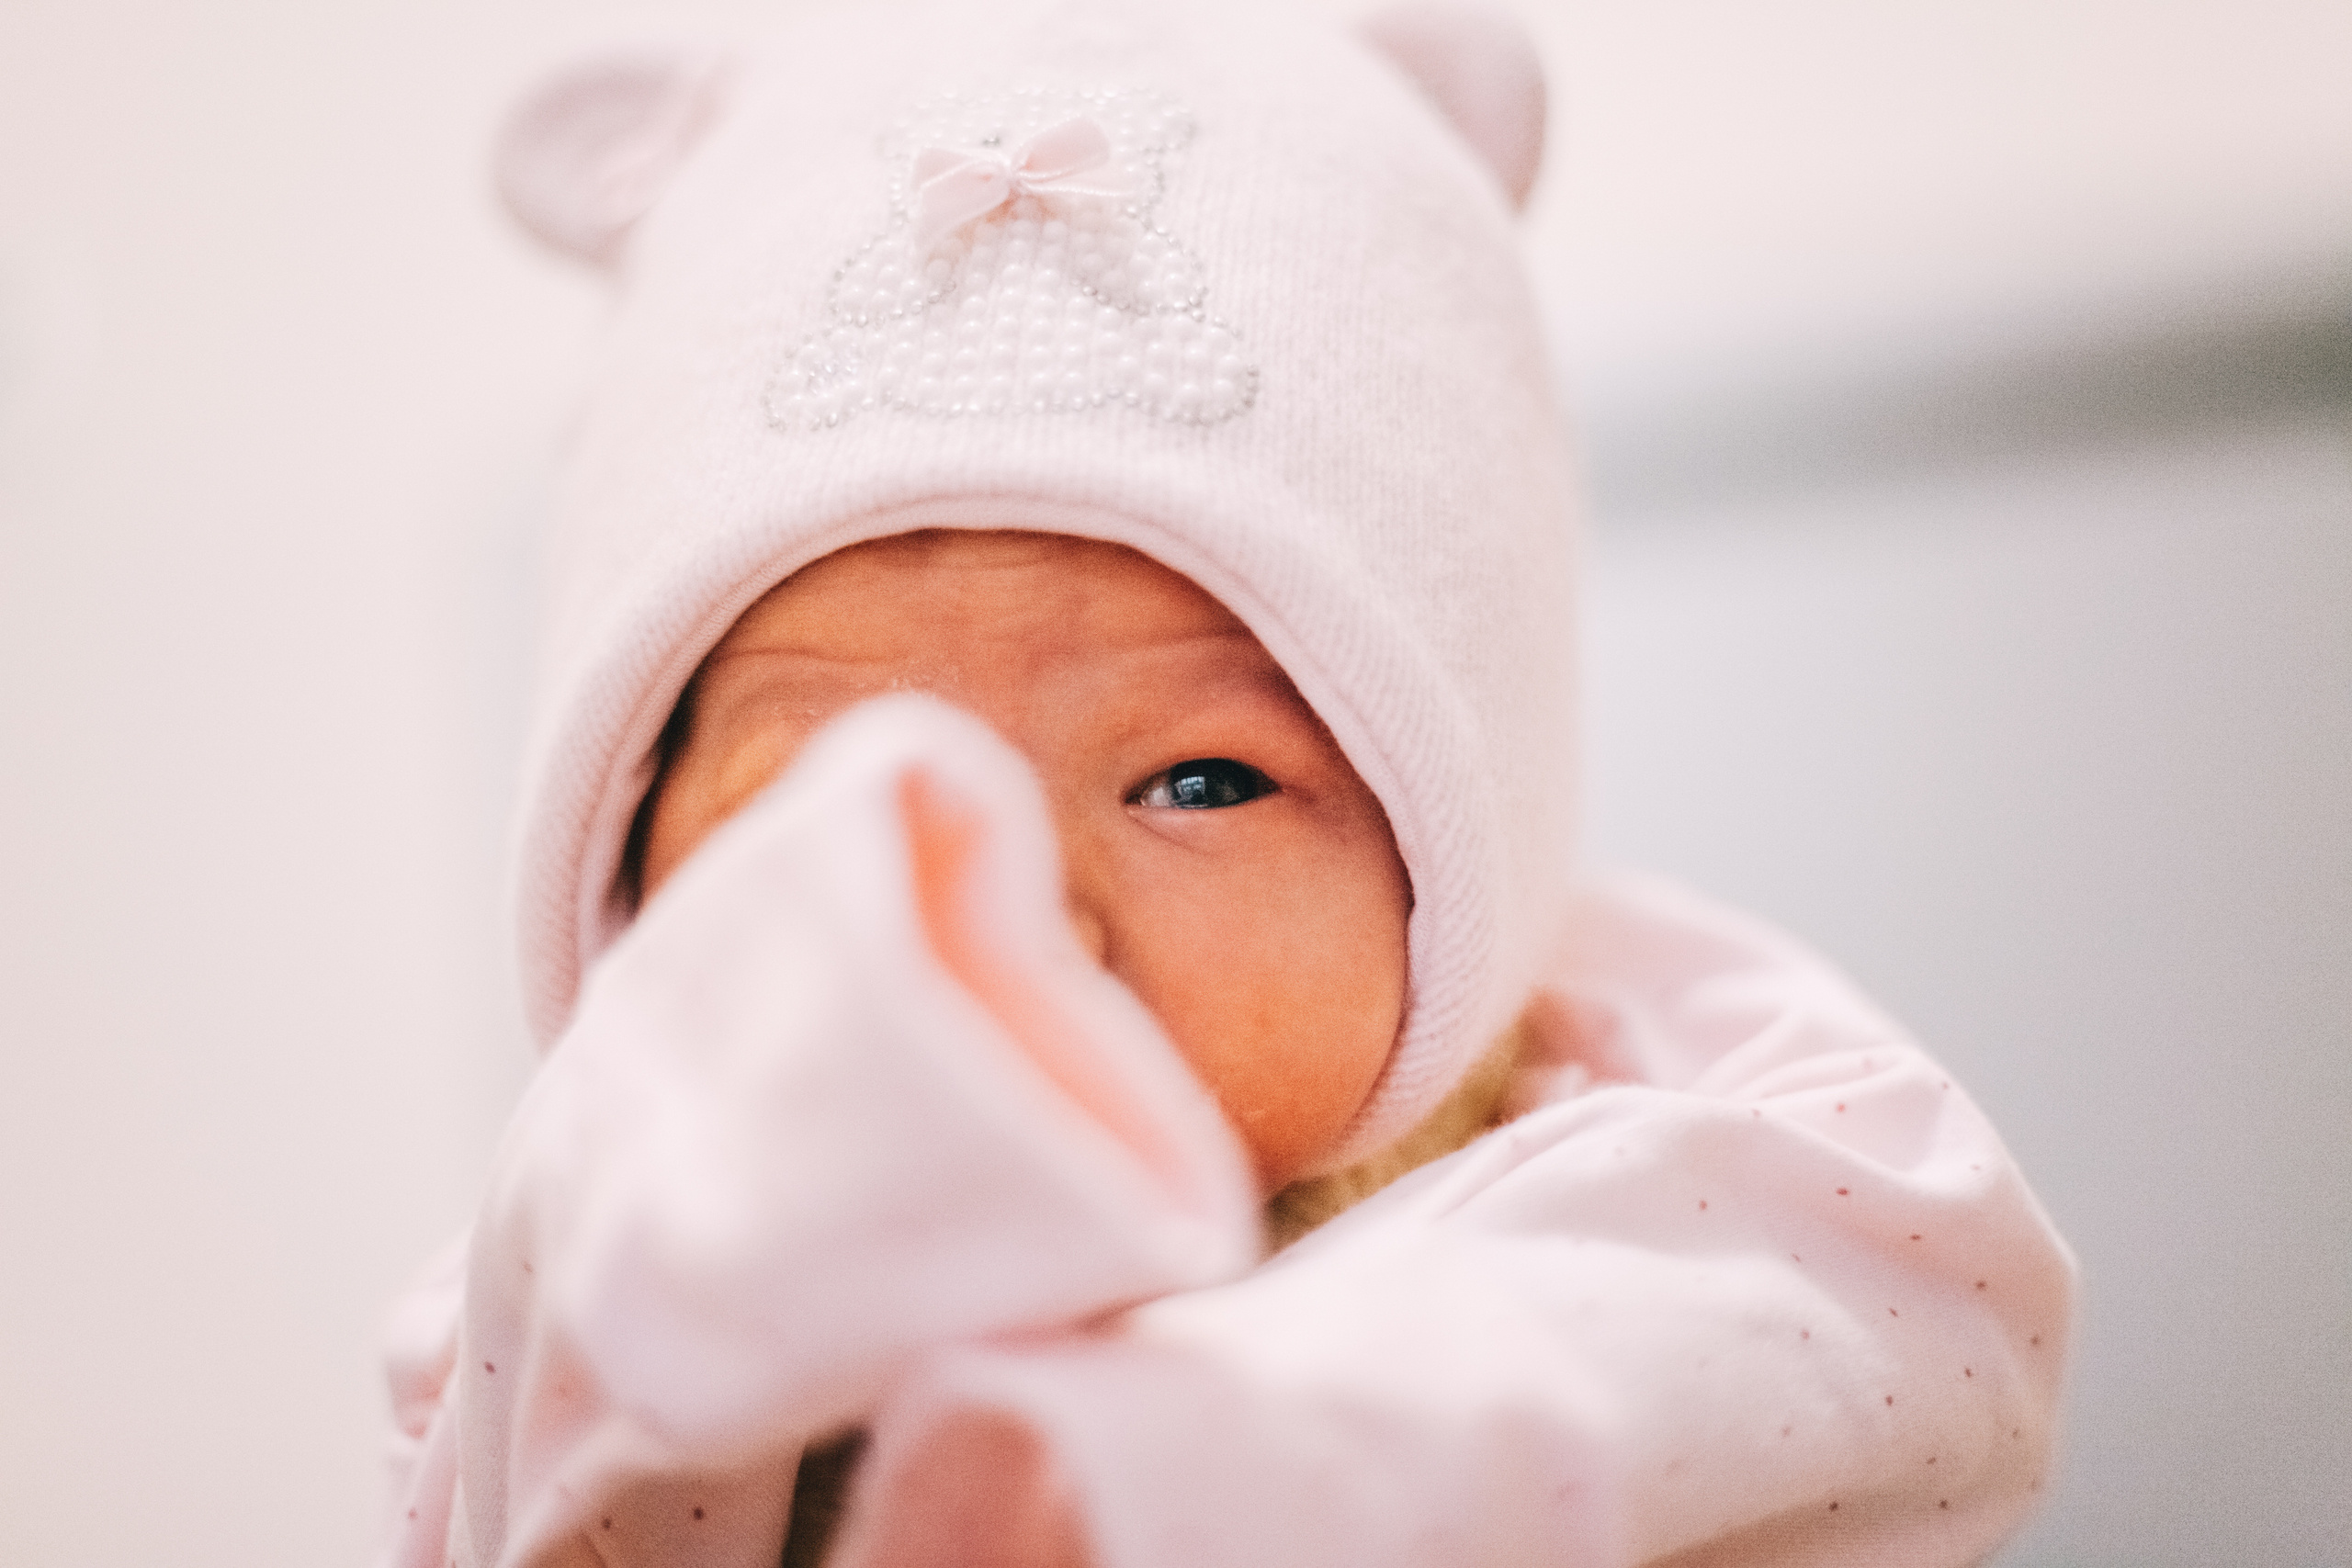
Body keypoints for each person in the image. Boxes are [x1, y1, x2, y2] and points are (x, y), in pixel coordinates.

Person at [379, 4, 2076, 1564]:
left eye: (1196, 781)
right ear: (626, 891)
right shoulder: (582, 1292)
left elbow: (1917, 1305)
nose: (1012, 918)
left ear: (1451, 861)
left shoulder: (1660, 1147)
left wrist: (1177, 1463)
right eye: (833, 813)